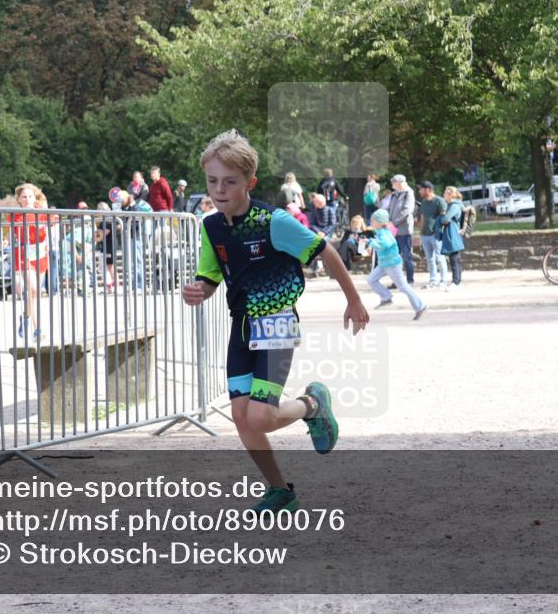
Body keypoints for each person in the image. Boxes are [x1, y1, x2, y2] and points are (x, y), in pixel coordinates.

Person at [182, 129, 369, 514]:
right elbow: (212, 274)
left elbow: (326, 251)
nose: (219, 190)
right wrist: (200, 289)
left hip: (277, 323)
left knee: (261, 416)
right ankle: (280, 490)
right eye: (212, 181)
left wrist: (353, 300)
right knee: (240, 416)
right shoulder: (211, 227)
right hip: (241, 328)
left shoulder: (274, 221)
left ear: (249, 183)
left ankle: (312, 404)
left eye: (229, 182)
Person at [366, 209, 426, 319]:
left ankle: (420, 306)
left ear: (380, 222)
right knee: (371, 280)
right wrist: (371, 243)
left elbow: (385, 244)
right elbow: (379, 243)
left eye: (373, 221)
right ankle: (386, 297)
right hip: (384, 264)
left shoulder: (385, 232)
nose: (371, 222)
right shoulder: (380, 232)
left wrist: (372, 243)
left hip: (392, 264)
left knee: (403, 287)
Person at [11, 183, 50, 337]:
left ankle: (25, 316)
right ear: (19, 200)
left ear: (35, 198)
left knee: (35, 294)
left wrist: (45, 209)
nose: (27, 199)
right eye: (24, 197)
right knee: (33, 290)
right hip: (23, 254)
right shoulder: (14, 215)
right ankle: (38, 329)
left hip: (40, 254)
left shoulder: (42, 212)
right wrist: (7, 241)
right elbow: (10, 232)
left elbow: (53, 223)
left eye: (30, 196)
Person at [415, 180, 448, 289]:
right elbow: (423, 218)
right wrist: (421, 233)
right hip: (425, 235)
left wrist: (441, 232)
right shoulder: (424, 202)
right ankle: (433, 281)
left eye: (421, 189)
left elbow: (444, 217)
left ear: (428, 190)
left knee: (440, 258)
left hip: (436, 234)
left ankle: (444, 281)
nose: (419, 191)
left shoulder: (439, 201)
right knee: (430, 259)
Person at [387, 174, 416, 284]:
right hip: (393, 230)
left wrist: (394, 223)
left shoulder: (409, 193)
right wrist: (388, 221)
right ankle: (397, 281)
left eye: (393, 182)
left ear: (399, 183)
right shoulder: (394, 194)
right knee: (395, 257)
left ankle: (409, 280)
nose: (392, 184)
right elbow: (390, 209)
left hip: (404, 230)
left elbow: (407, 211)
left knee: (406, 256)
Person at [439, 187, 465, 291]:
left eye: (445, 193)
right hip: (453, 233)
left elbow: (445, 219)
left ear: (450, 195)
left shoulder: (454, 206)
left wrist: (442, 217)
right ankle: (457, 282)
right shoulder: (453, 205)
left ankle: (456, 282)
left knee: (454, 259)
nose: (443, 195)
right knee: (455, 259)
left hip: (453, 234)